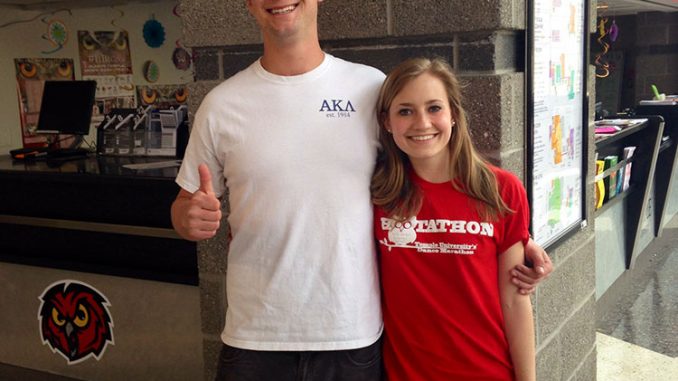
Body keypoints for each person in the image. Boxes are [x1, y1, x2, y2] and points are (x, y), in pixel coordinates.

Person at [171, 1, 550, 380]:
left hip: (351, 335)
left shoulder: (370, 88)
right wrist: (188, 218)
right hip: (256, 335)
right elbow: (185, 205)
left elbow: (426, 168)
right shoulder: (221, 105)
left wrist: (512, 236)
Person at [372, 57, 536, 381]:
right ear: (387, 122)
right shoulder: (377, 194)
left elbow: (515, 302)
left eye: (434, 108)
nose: (422, 123)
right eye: (405, 111)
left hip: (487, 371)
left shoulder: (501, 189)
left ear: (454, 115)